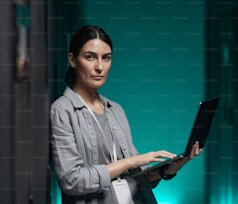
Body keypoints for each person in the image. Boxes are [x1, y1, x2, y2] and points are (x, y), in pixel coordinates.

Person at [50, 25, 202, 204]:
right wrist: (131, 162)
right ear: (73, 60)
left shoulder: (115, 110)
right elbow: (71, 180)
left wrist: (174, 166)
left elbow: (138, 179)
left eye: (106, 58)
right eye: (90, 57)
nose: (100, 67)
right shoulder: (63, 110)